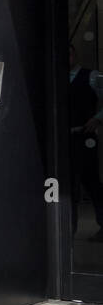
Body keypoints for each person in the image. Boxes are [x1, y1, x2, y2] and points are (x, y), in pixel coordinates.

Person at [67, 42, 103, 240]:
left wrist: (98, 117)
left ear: (76, 56)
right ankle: (68, 228)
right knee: (69, 185)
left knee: (91, 182)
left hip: (85, 137)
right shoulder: (56, 79)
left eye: (70, 55)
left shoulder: (91, 76)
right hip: (64, 137)